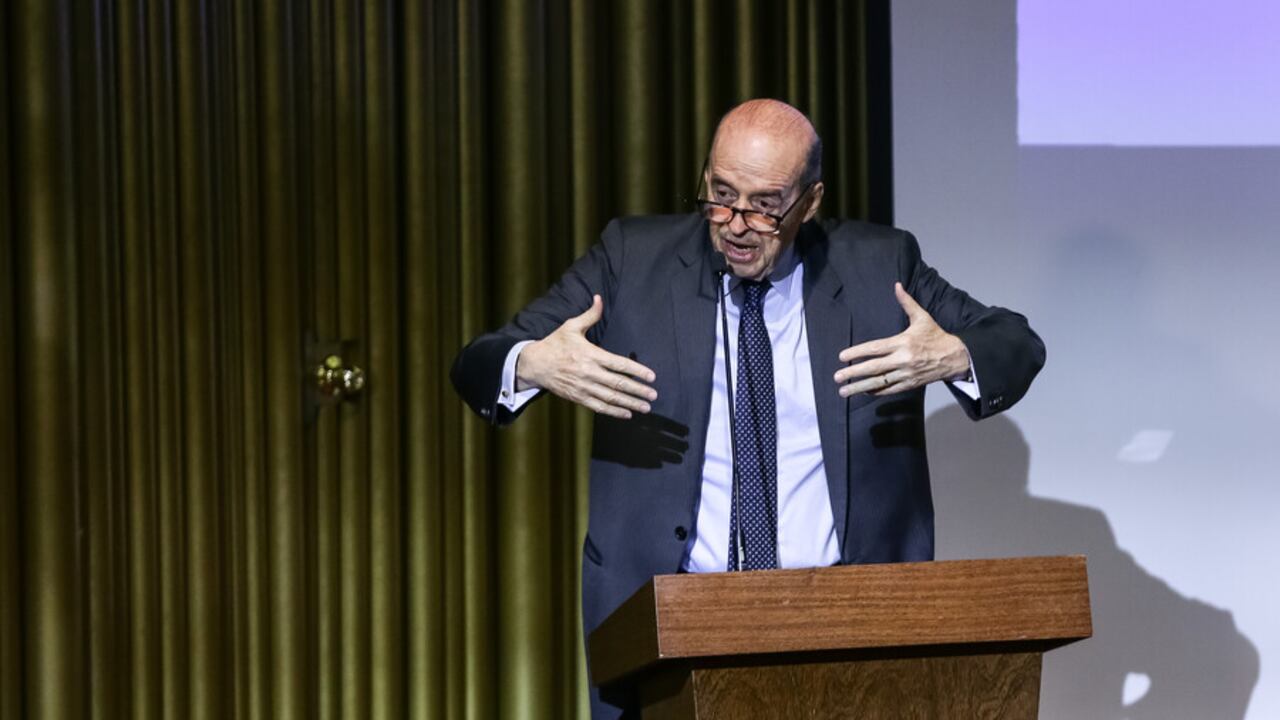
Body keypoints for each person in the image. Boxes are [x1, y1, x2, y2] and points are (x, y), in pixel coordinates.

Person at [451, 98, 1044, 717]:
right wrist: (531, 363)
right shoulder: (632, 258)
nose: (735, 223)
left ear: (810, 202)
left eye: (764, 206)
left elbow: (1016, 342)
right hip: (664, 634)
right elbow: (479, 359)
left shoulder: (877, 265)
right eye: (721, 193)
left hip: (848, 633)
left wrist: (953, 357)